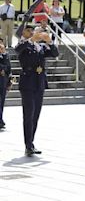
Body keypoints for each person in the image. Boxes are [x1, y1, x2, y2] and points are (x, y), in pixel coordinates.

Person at [15, 26, 59, 156]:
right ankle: (28, 144)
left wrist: (49, 41)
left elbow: (55, 53)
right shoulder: (24, 44)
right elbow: (17, 50)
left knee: (36, 114)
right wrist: (30, 40)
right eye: (29, 31)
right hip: (28, 81)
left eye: (33, 31)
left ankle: (31, 142)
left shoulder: (40, 47)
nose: (32, 33)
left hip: (39, 82)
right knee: (28, 114)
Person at [0, 39, 11, 129]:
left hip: (3, 82)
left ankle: (0, 119)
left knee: (2, 102)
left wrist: (9, 81)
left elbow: (8, 67)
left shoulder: (5, 55)